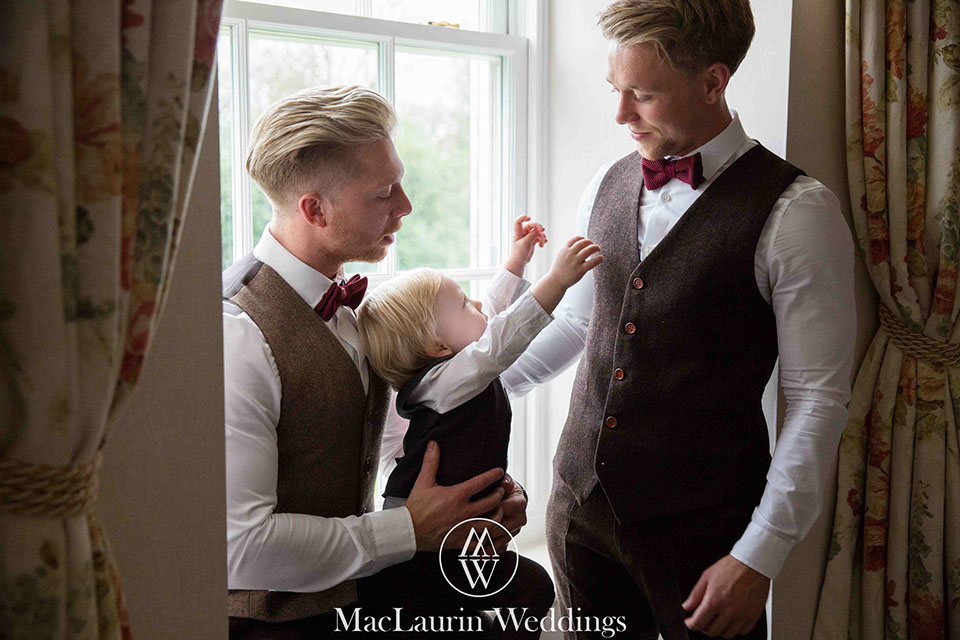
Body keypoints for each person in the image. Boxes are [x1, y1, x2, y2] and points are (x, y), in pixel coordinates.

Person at [494, 1, 857, 638]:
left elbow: (816, 399)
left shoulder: (798, 213)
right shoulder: (605, 184)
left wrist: (760, 554)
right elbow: (579, 324)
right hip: (579, 515)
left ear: (713, 82)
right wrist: (476, 389)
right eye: (615, 89)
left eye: (642, 94)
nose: (620, 114)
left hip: (707, 534)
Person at [221, 85, 542, 638]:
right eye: (384, 193)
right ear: (315, 209)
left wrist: (475, 505)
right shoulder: (238, 334)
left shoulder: (357, 308)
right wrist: (409, 529)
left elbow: (415, 430)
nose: (406, 206)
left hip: (363, 595)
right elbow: (239, 548)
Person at [358, 216, 601, 506]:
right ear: (439, 346)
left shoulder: (455, 371)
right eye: (464, 304)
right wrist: (556, 280)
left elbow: (492, 321)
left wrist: (516, 262)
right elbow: (500, 339)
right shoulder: (441, 385)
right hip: (417, 517)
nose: (476, 303)